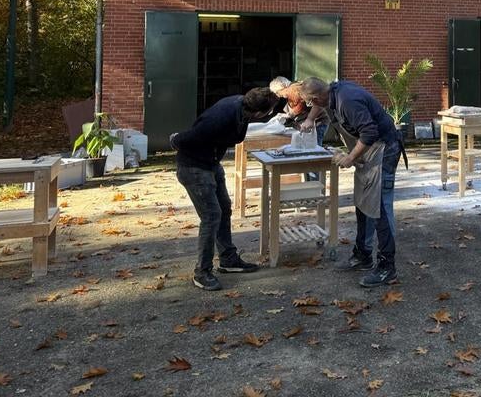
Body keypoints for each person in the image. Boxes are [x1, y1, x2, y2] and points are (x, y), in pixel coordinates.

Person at [299, 77, 403, 288]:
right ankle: (363, 255)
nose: (311, 107)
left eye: (309, 102)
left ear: (316, 98)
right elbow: (319, 105)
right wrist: (310, 119)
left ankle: (387, 267)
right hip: (368, 152)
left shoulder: (348, 101)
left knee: (379, 207)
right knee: (363, 203)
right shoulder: (330, 94)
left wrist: (350, 158)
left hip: (384, 150)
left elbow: (370, 133)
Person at [171, 87, 276, 290]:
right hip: (194, 167)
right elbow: (188, 138)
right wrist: (174, 139)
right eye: (269, 111)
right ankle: (202, 272)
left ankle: (228, 259)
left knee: (224, 208)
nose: (271, 113)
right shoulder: (221, 118)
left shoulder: (241, 107)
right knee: (211, 216)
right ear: (259, 113)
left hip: (211, 163)